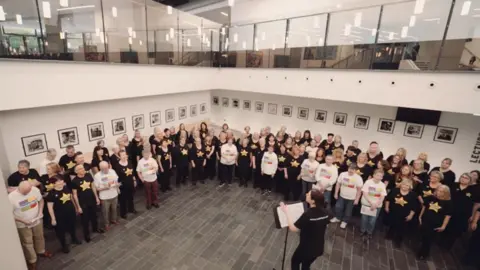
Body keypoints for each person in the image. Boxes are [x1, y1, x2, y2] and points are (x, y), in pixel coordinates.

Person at [280, 189, 329, 270]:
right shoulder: (326, 212)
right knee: (306, 265)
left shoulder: (308, 215)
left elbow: (293, 228)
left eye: (308, 195)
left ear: (313, 201)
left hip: (306, 247)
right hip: (318, 247)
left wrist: (286, 212)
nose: (306, 194)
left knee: (295, 261)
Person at [9, 181, 53, 269]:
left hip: (37, 219)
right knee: (27, 242)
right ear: (19, 189)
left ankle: (41, 251)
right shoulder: (11, 197)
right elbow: (9, 214)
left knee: (39, 236)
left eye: (28, 192)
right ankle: (32, 260)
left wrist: (40, 212)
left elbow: (41, 201)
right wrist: (23, 220)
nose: (26, 194)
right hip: (23, 224)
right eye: (24, 192)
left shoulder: (34, 190)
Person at [46, 175, 81, 253]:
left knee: (72, 226)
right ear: (53, 183)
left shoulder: (66, 188)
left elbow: (71, 198)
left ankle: (74, 239)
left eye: (61, 180)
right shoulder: (51, 194)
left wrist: (75, 208)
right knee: (60, 231)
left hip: (70, 212)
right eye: (58, 181)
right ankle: (64, 246)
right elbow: (50, 207)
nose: (60, 182)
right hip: (59, 215)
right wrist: (53, 218)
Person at [417, 185, 452, 260]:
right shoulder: (431, 197)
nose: (439, 192)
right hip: (425, 220)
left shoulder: (448, 203)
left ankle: (424, 254)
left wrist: (443, 226)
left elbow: (448, 215)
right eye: (438, 190)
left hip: (435, 223)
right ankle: (422, 250)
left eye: (442, 191)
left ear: (446, 193)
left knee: (428, 239)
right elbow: (424, 207)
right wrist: (420, 216)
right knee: (423, 237)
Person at [443, 173, 475, 250]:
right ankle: (441, 242)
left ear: (470, 180)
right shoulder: (453, 185)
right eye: (462, 177)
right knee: (446, 227)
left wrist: (471, 215)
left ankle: (448, 246)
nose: (463, 179)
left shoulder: (472, 190)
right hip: (449, 210)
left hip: (462, 214)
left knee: (455, 231)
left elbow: (472, 204)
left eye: (466, 178)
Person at [71, 164, 102, 242]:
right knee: (85, 220)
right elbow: (74, 195)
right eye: (80, 169)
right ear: (76, 171)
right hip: (83, 203)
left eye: (83, 168)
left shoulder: (88, 175)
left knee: (94, 216)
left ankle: (95, 229)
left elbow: (93, 186)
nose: (83, 169)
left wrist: (96, 197)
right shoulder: (74, 181)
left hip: (92, 199)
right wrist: (78, 207)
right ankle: (86, 235)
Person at [384, 179, 417, 247]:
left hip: (404, 214)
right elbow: (388, 199)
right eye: (404, 184)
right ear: (401, 184)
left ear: (410, 187)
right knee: (392, 224)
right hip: (393, 212)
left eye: (407, 185)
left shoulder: (413, 195)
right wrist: (386, 207)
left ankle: (398, 240)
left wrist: (411, 215)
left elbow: (414, 207)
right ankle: (390, 235)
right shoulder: (395, 190)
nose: (405, 186)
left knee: (402, 228)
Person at [331, 163, 363, 229]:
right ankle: (338, 218)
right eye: (350, 169)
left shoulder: (358, 178)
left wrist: (357, 199)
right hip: (341, 196)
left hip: (352, 198)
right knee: (338, 207)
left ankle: (345, 221)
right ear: (348, 168)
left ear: (356, 170)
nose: (351, 170)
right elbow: (338, 184)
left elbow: (359, 190)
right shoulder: (342, 174)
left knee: (348, 212)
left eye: (353, 169)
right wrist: (336, 193)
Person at [360, 169, 387, 240]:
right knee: (364, 219)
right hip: (366, 203)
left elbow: (382, 196)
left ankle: (369, 232)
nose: (379, 177)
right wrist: (371, 203)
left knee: (372, 221)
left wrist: (376, 204)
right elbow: (365, 193)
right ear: (374, 175)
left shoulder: (382, 185)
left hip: (376, 206)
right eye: (377, 175)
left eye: (381, 176)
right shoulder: (368, 182)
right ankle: (363, 230)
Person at [93, 161, 120, 231]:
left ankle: (114, 220)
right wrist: (105, 188)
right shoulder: (97, 176)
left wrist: (117, 184)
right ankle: (106, 224)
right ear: (100, 168)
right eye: (104, 168)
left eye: (107, 168)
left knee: (114, 209)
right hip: (105, 197)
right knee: (105, 211)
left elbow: (116, 180)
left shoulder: (112, 171)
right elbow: (97, 188)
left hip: (114, 194)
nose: (106, 170)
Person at [114, 150, 137, 218]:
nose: (124, 156)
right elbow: (116, 177)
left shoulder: (129, 162)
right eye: (122, 155)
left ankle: (131, 209)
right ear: (119, 156)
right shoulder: (117, 166)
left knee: (131, 197)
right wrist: (118, 186)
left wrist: (134, 180)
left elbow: (132, 173)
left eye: (125, 154)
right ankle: (123, 213)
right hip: (123, 185)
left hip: (130, 183)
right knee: (123, 200)